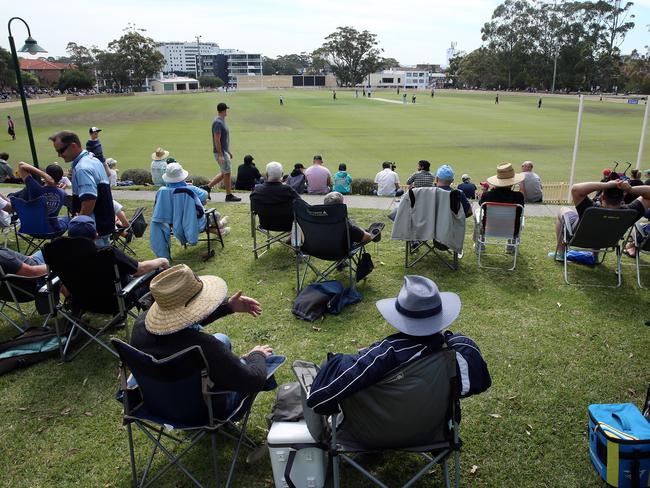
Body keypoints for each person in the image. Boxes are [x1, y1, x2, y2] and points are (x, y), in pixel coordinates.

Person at [306, 275, 490, 415]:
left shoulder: (385, 353)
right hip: (433, 430)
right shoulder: (460, 352)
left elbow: (319, 397)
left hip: (377, 429)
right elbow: (479, 383)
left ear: (400, 316)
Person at [130, 264, 283, 420]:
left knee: (222, 338)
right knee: (267, 357)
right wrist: (255, 355)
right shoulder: (203, 347)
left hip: (159, 404)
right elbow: (252, 380)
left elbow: (184, 321)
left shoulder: (140, 326)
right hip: (204, 411)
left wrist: (228, 306)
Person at [548, 178, 650, 261]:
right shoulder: (630, 212)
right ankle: (594, 256)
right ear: (622, 198)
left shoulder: (591, 209)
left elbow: (576, 189)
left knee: (563, 210)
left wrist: (607, 185)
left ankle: (560, 254)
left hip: (579, 238)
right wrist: (631, 189)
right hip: (608, 241)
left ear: (602, 197)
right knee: (603, 226)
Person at [49, 130, 115, 245]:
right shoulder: (93, 160)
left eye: (61, 150)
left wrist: (78, 227)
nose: (59, 155)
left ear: (73, 146)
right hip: (102, 226)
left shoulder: (82, 168)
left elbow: (89, 199)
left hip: (92, 231)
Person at [67, 215, 169, 288]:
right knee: (158, 270)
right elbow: (139, 270)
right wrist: (161, 261)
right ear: (96, 235)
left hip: (82, 300)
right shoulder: (107, 252)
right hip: (115, 300)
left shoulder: (62, 254)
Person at [202, 102, 241, 202]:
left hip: (224, 151)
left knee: (225, 172)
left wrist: (228, 151)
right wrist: (221, 155)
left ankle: (207, 187)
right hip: (220, 152)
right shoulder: (218, 122)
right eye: (226, 110)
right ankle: (229, 195)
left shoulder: (221, 121)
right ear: (224, 110)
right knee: (227, 173)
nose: (227, 111)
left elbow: (224, 139)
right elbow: (217, 139)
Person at [17, 162, 67, 232]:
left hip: (32, 229)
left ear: (46, 175)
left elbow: (21, 165)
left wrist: (43, 174)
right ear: (61, 178)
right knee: (67, 219)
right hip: (53, 231)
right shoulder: (63, 193)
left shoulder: (34, 188)